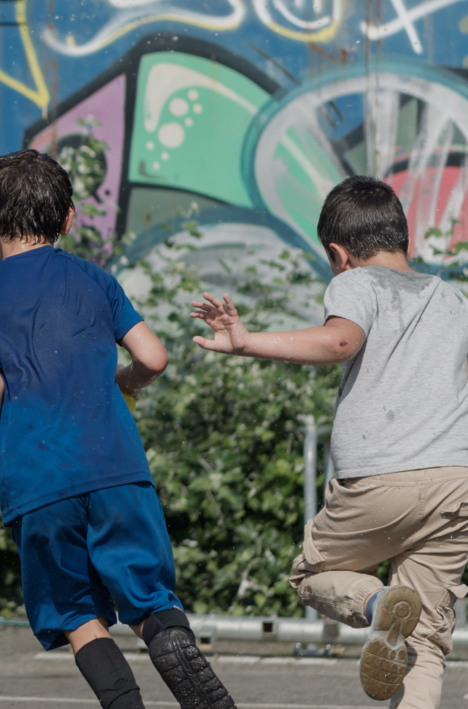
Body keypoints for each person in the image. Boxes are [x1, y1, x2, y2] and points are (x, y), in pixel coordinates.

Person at [0, 150, 235, 709]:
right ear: (70, 218)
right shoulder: (96, 280)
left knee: (78, 614)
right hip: (117, 468)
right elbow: (153, 356)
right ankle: (187, 667)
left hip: (38, 482)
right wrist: (123, 381)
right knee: (149, 602)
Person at [192, 175, 468, 708]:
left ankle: (379, 602)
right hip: (456, 482)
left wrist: (247, 341)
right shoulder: (453, 300)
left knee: (311, 573)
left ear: (339, 254)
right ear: (404, 239)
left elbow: (341, 340)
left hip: (379, 480)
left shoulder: (356, 283)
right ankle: (395, 611)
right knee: (428, 639)